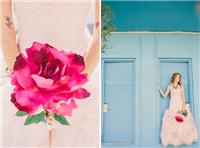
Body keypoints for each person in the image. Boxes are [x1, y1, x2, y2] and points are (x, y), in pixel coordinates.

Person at [1, 0, 100, 147]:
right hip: (25, 82)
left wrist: (73, 86)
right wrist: (23, 82)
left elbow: (103, 31)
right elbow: (4, 29)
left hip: (81, 75)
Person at [158, 72, 198, 146]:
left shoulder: (181, 87)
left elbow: (183, 97)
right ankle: (174, 140)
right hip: (173, 104)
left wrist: (183, 107)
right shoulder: (169, 86)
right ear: (174, 78)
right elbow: (164, 95)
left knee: (182, 120)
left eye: (179, 78)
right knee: (173, 120)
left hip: (179, 104)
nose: (178, 79)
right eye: (177, 77)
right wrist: (160, 89)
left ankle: (182, 138)